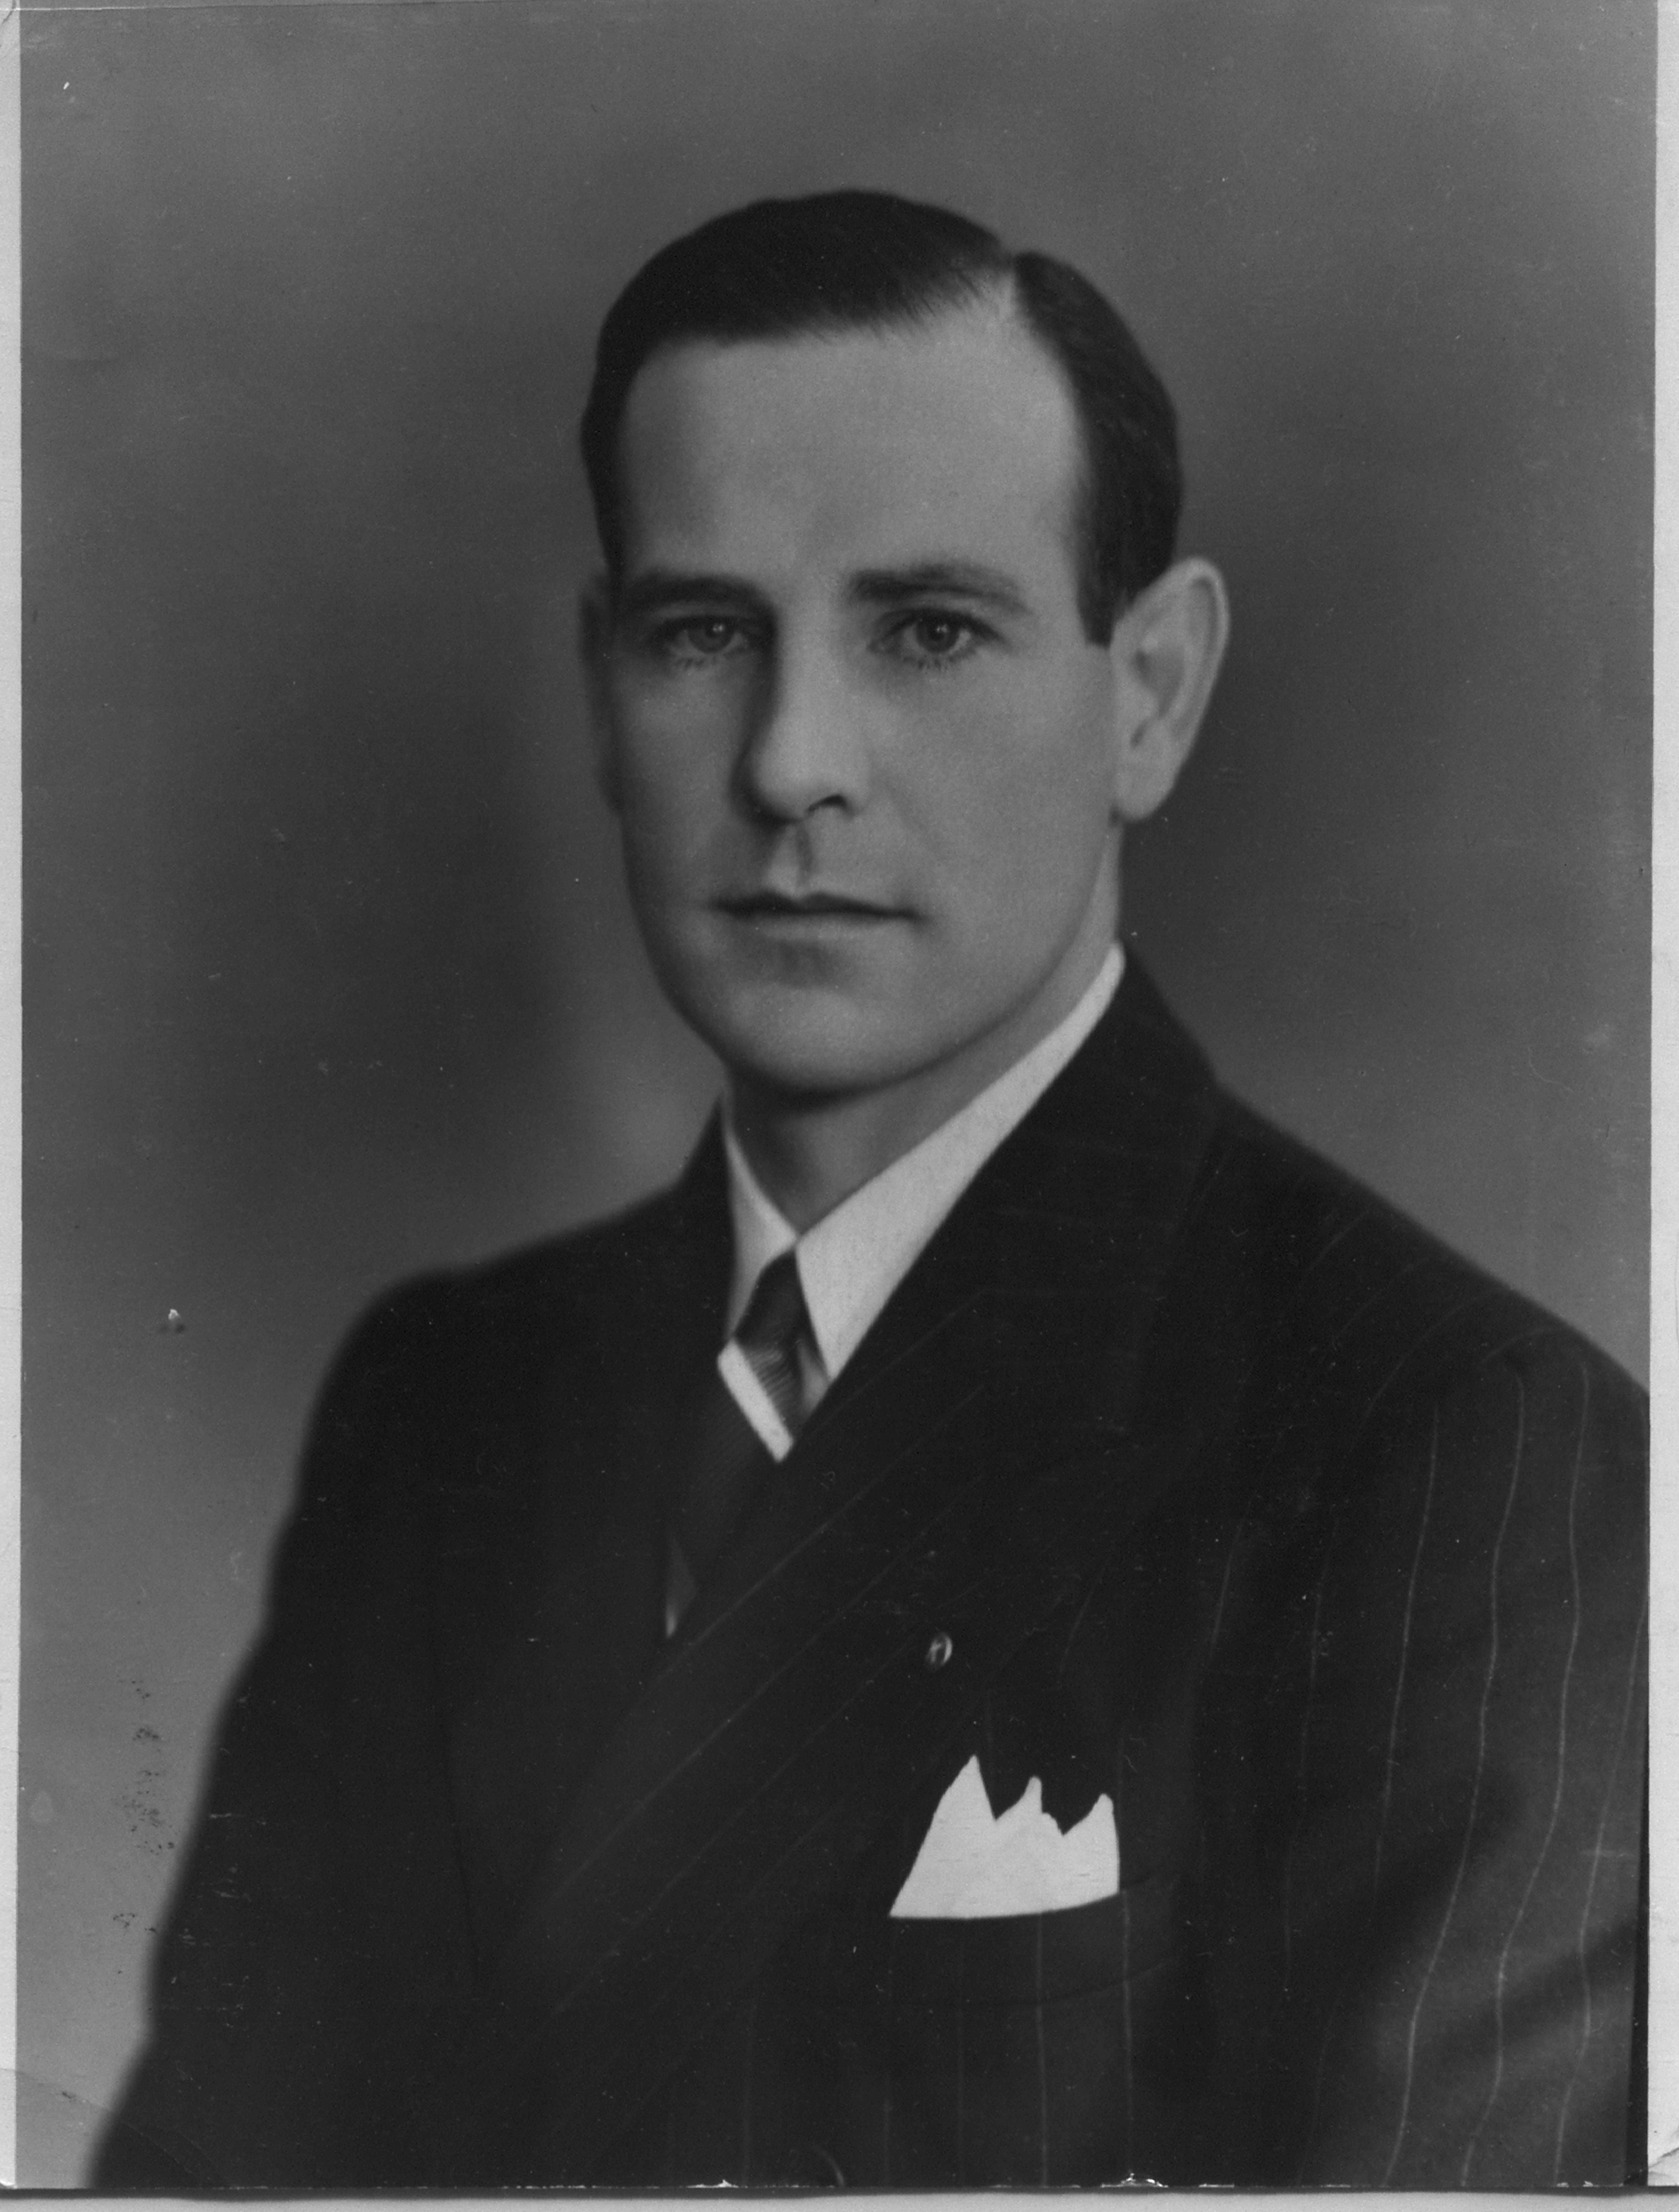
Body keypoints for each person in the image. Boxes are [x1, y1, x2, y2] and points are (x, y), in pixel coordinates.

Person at [94, 190, 1646, 2191]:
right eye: (702, 633)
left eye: (927, 630)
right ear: (602, 690)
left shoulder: (1465, 1461)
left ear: (1152, 692)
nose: (788, 762)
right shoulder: (444, 1404)